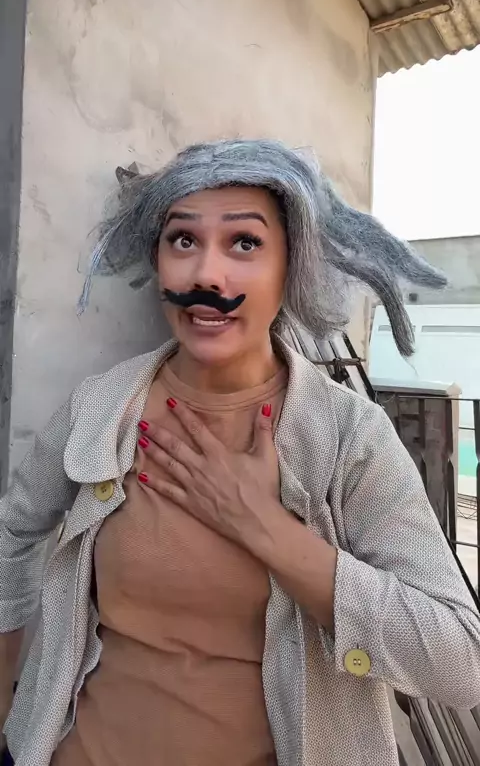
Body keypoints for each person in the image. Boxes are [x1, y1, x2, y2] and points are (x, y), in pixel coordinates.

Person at [1, 139, 480, 766]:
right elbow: (12, 531)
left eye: (245, 243)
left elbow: (460, 661)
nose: (207, 275)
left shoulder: (348, 437)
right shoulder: (103, 407)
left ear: (291, 268)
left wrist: (264, 528)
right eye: (183, 240)